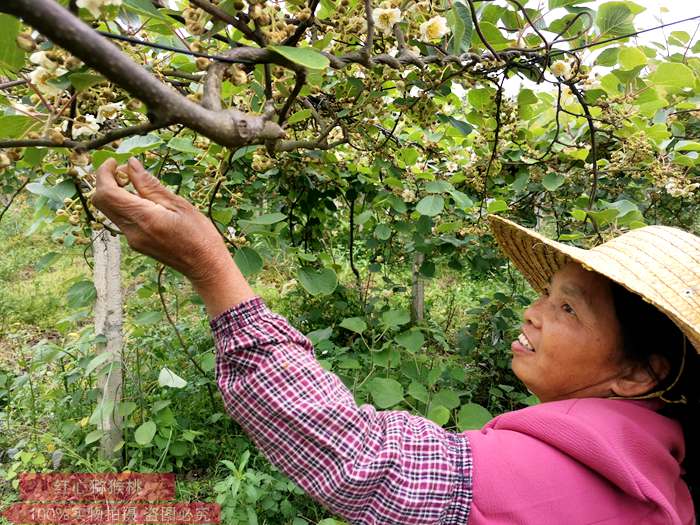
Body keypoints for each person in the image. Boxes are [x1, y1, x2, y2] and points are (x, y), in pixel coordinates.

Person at [91, 157, 697, 524]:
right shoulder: (646, 467)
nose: (533, 312)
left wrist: (210, 268)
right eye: (546, 292)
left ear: (642, 375)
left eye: (567, 307)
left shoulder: (556, 485)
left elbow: (358, 458)